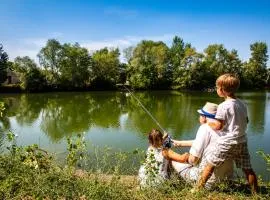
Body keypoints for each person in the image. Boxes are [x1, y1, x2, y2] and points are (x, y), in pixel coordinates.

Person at [197, 74, 258, 193]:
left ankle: (197, 190)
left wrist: (208, 122)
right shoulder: (242, 104)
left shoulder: (223, 106)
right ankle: (256, 193)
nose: (216, 89)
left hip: (227, 142)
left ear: (221, 90)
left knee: (210, 165)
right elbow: (246, 121)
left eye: (216, 87)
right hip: (241, 141)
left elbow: (218, 126)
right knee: (248, 169)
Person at [163, 102, 234, 189]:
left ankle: (173, 186)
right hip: (227, 182)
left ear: (204, 117)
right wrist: (180, 143)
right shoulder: (227, 129)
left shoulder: (204, 128)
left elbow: (193, 160)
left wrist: (181, 157)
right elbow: (205, 142)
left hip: (209, 184)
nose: (199, 117)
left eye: (200, 115)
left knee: (172, 160)